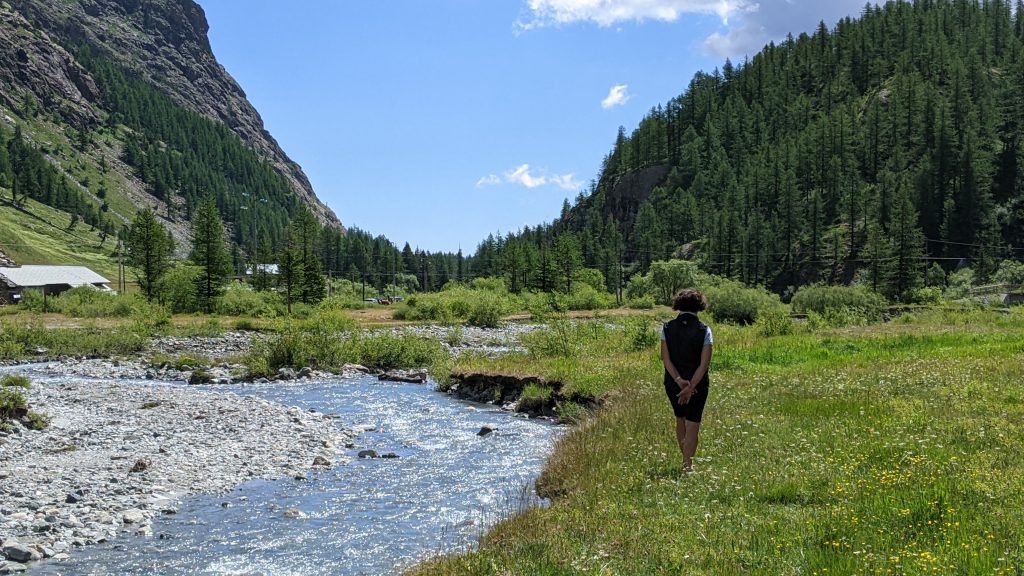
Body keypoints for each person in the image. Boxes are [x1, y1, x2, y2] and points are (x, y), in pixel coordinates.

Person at [660, 288, 713, 472]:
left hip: (673, 384)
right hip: (698, 386)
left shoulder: (666, 328)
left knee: (680, 419)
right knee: (693, 424)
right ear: (699, 306)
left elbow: (666, 359)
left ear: (678, 304)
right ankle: (687, 465)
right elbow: (704, 364)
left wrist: (679, 381)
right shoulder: (704, 330)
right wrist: (691, 387)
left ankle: (686, 460)